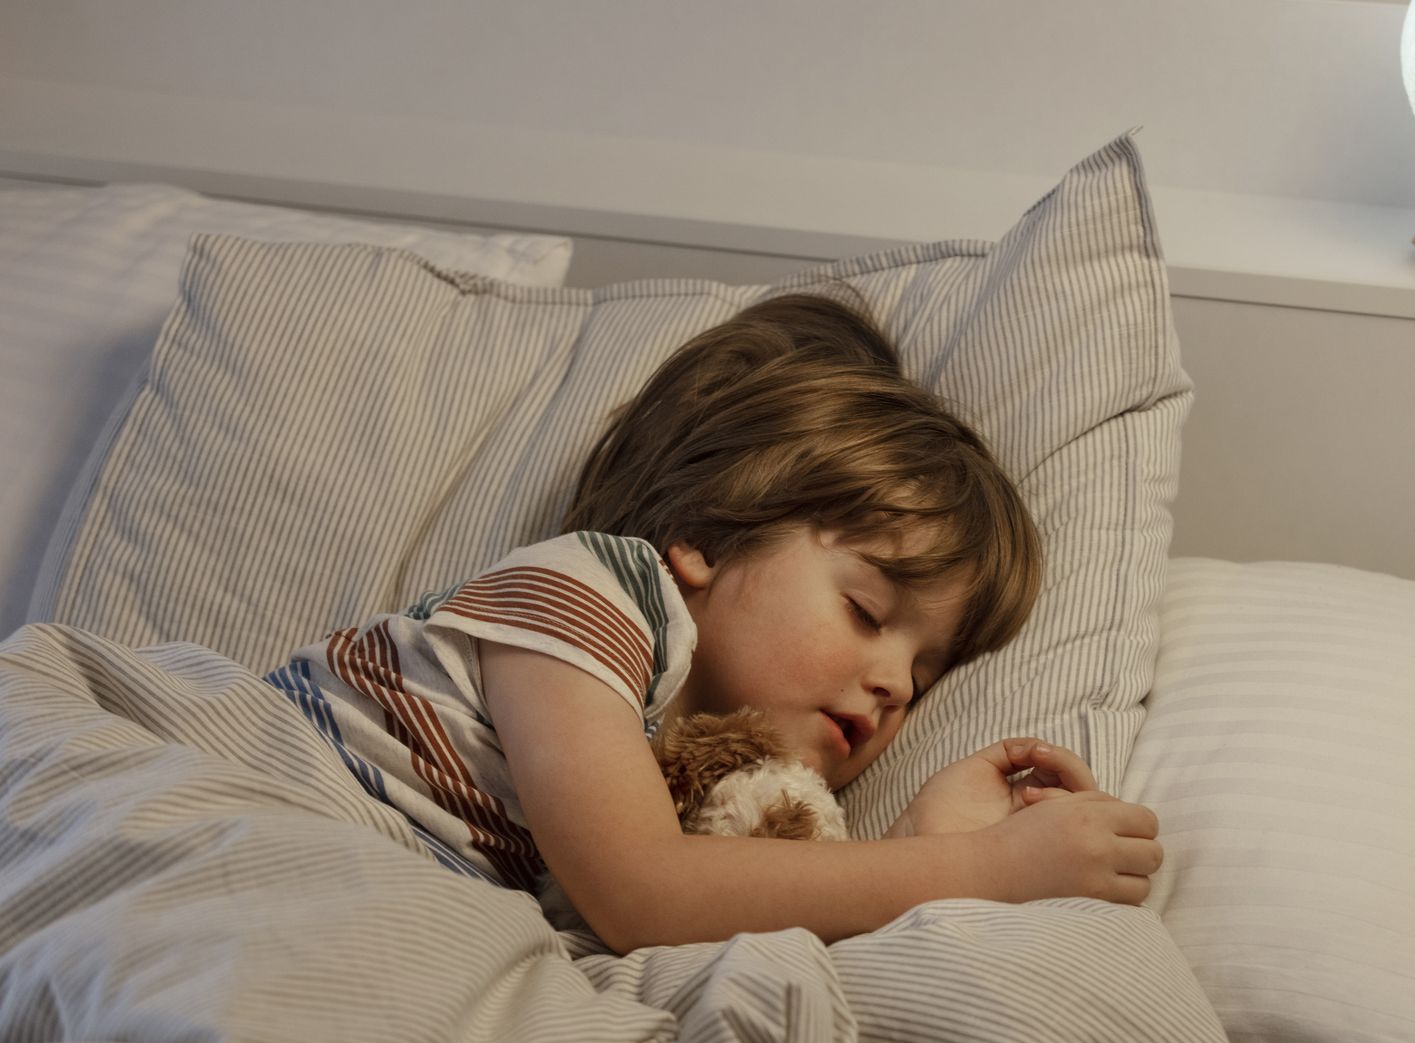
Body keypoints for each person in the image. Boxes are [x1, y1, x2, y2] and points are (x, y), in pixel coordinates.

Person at [267, 291, 1162, 954]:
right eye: (865, 610)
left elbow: (746, 905)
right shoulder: (591, 591)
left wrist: (925, 841)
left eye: (923, 675)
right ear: (705, 537)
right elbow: (642, 891)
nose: (894, 684)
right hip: (267, 806)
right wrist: (987, 873)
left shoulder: (699, 778)